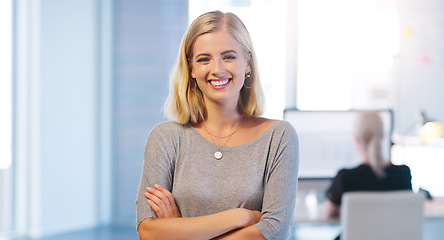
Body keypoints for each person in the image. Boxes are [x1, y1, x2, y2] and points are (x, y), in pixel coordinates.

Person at [135, 10, 299, 240]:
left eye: (229, 56)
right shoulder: (166, 138)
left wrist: (179, 230)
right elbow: (148, 231)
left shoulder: (279, 137)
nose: (217, 69)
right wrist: (240, 217)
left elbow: (275, 230)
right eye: (204, 59)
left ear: (248, 63)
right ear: (191, 68)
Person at [324, 111, 412, 219]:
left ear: (356, 138)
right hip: (393, 236)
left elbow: (329, 214)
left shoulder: (346, 178)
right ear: (383, 135)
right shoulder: (403, 174)